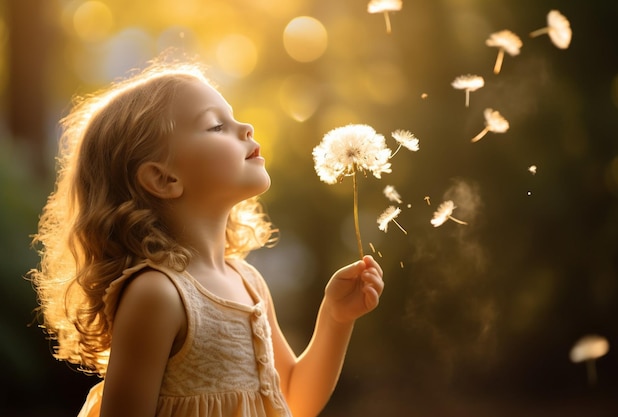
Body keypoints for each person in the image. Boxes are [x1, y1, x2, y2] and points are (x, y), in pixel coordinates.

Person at [30, 57, 384, 417]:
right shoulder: (159, 294)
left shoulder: (248, 282)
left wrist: (335, 319)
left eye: (233, 117)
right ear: (164, 179)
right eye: (216, 126)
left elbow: (293, 399)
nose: (245, 127)